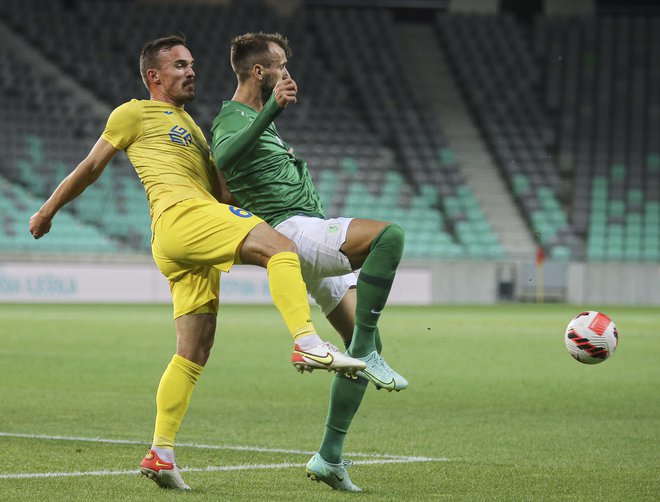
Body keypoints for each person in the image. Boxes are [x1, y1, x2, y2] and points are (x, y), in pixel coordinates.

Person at [28, 35, 366, 492]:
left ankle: (161, 453)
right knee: (281, 249)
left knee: (195, 350)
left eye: (192, 64)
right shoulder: (132, 113)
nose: (192, 71)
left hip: (188, 234)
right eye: (180, 65)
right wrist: (47, 211)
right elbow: (91, 167)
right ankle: (306, 340)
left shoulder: (195, 128)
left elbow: (224, 195)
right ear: (154, 76)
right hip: (179, 217)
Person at [211, 32, 408, 492]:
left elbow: (225, 188)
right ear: (259, 71)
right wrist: (272, 109)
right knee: (389, 237)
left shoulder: (257, 120)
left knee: (355, 357)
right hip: (296, 232)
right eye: (280, 64)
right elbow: (223, 155)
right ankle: (367, 350)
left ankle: (329, 458)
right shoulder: (231, 117)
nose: (287, 71)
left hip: (302, 233)